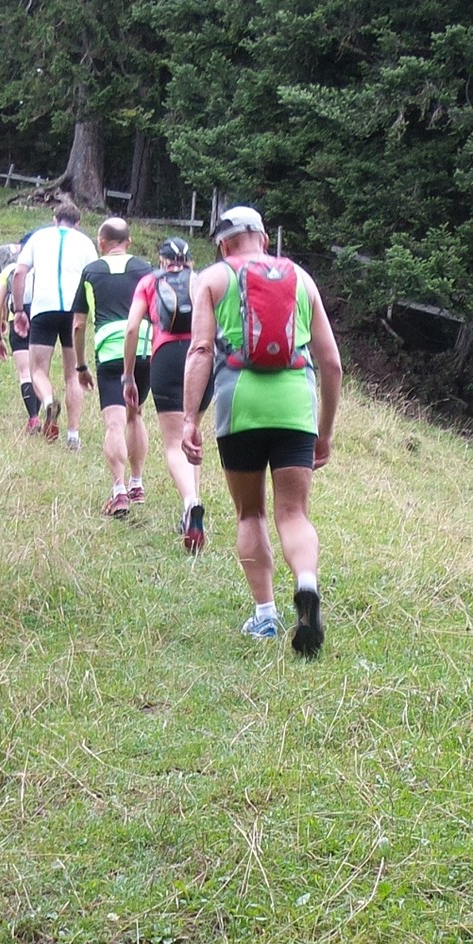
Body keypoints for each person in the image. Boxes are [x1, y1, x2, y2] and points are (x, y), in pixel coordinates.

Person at [182, 204, 342, 653]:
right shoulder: (301, 279)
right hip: (295, 405)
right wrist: (324, 431)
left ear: (222, 243)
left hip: (241, 405)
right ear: (264, 239)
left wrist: (190, 418)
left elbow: (199, 350)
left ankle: (266, 616)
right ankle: (306, 585)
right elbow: (331, 363)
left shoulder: (212, 279)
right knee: (294, 513)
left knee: (250, 513)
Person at [123, 237, 213, 552]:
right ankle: (192, 506)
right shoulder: (203, 280)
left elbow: (133, 328)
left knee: (175, 442)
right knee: (194, 433)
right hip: (202, 357)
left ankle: (190, 501)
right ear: (189, 260)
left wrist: (128, 375)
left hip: (166, 357)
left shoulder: (149, 282)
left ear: (162, 261)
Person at [71, 219, 152, 517]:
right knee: (136, 414)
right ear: (128, 242)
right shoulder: (146, 268)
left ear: (100, 242)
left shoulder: (91, 271)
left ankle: (118, 491)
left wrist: (80, 365)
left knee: (114, 423)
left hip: (108, 351)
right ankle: (137, 483)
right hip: (143, 347)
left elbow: (79, 323)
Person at [11, 202, 97, 444]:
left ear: (54, 219)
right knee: (74, 373)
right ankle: (73, 435)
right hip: (74, 309)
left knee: (37, 369)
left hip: (43, 308)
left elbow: (19, 273)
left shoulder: (38, 238)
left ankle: (48, 401)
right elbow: (93, 276)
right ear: (77, 223)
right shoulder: (85, 243)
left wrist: (19, 309)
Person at [0, 241, 41, 430]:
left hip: (18, 321)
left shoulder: (10, 270)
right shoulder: (43, 270)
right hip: (41, 319)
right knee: (40, 371)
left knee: (25, 372)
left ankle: (34, 417)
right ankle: (45, 404)